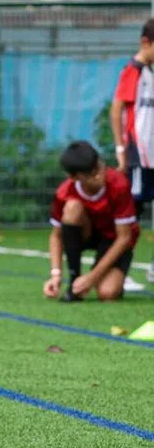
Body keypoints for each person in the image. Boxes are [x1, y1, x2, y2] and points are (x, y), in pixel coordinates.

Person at [44, 140, 137, 303]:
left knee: (107, 293)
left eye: (99, 167)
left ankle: (104, 275)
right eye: (91, 174)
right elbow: (56, 236)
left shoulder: (119, 184)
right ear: (73, 177)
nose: (99, 176)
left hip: (114, 239)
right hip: (86, 233)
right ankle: (74, 279)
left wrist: (92, 277)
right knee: (72, 208)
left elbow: (124, 237)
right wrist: (55, 274)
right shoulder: (64, 193)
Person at [109, 18, 154, 286]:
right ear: (145, 43)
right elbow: (116, 110)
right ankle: (118, 271)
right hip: (140, 156)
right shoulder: (133, 71)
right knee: (131, 214)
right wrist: (120, 149)